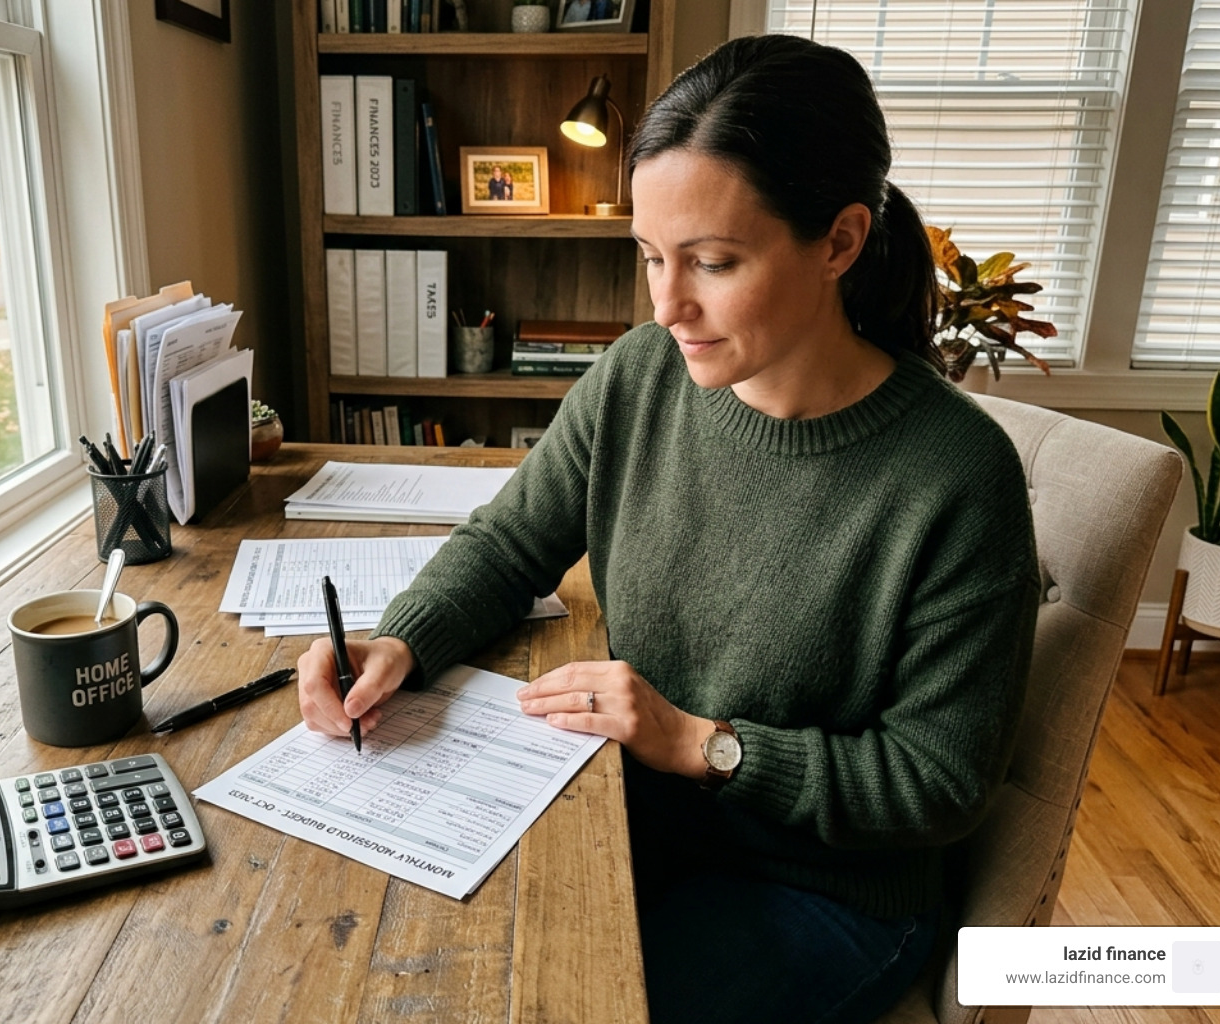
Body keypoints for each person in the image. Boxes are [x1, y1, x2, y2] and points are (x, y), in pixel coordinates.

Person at [296, 34, 1037, 1024]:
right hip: (623, 812)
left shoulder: (957, 477)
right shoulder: (643, 374)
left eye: (713, 262)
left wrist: (702, 744)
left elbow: (937, 781)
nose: (667, 302)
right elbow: (511, 538)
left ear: (841, 242)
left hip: (821, 891)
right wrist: (401, 637)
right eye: (650, 255)